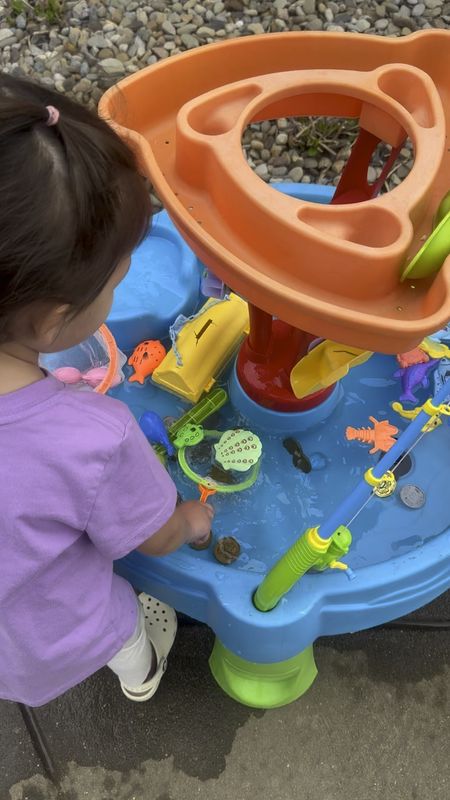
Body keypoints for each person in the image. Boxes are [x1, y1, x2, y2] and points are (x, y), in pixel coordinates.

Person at [0, 74, 214, 707]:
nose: (116, 293)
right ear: (49, 321)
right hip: (56, 634)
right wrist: (193, 520)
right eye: (115, 283)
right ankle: (142, 674)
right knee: (123, 634)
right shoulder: (93, 436)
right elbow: (154, 536)